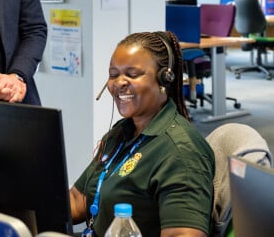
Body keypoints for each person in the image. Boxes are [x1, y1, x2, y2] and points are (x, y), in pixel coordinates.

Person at [69, 31, 215, 237]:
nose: (119, 82)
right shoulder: (121, 133)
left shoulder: (181, 152)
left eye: (132, 74)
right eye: (113, 74)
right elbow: (78, 200)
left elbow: (183, 234)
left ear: (164, 79)